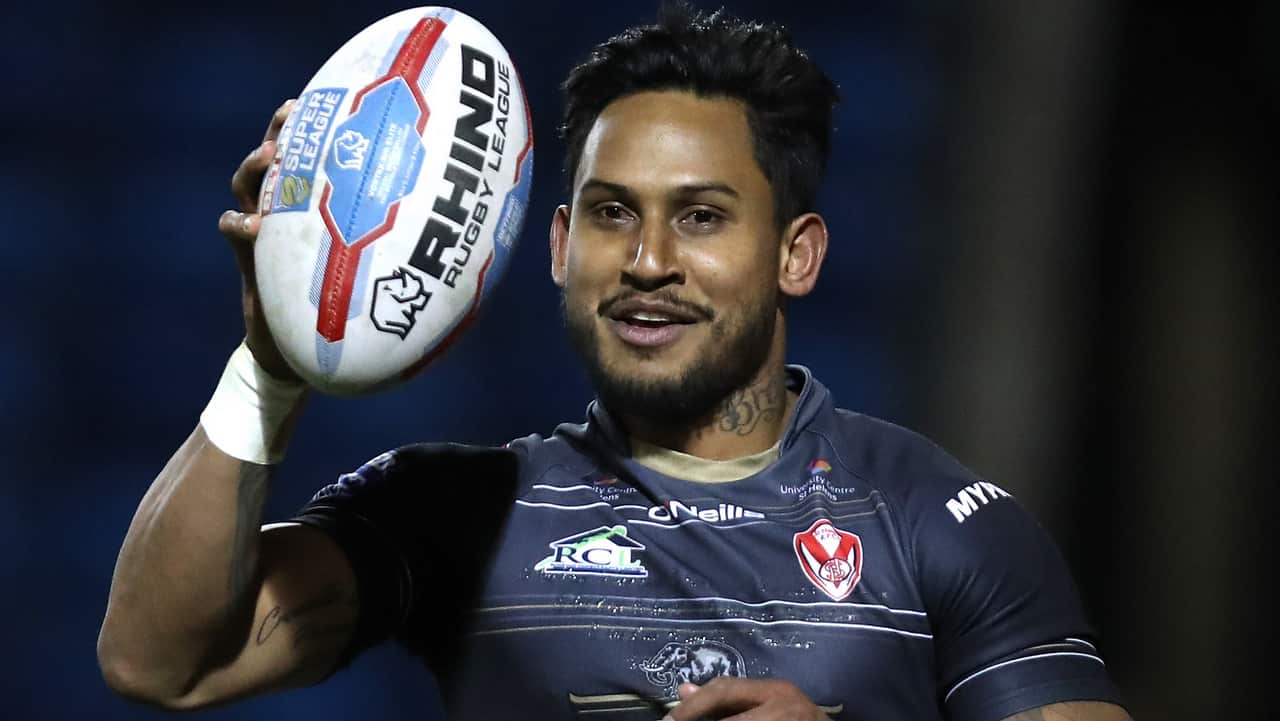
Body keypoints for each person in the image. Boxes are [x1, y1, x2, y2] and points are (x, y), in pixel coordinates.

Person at [98, 5, 1131, 721]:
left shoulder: (939, 525)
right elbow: (159, 663)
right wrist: (269, 364)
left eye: (699, 217)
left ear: (795, 254)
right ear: (554, 247)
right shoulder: (456, 512)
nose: (645, 262)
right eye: (609, 215)